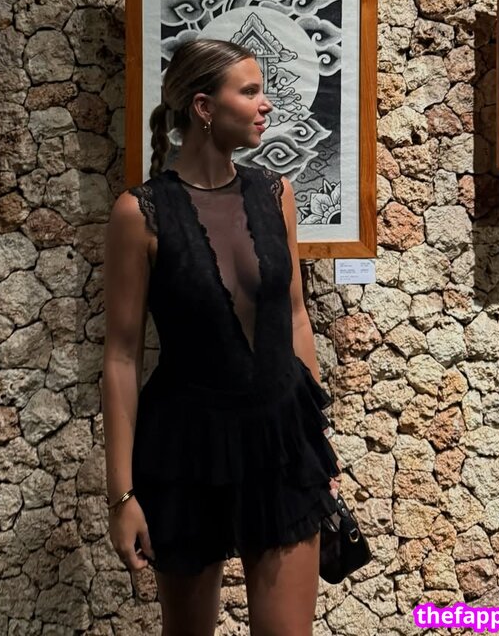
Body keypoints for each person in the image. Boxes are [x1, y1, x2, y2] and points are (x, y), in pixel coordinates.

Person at [102, 37, 341, 636]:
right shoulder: (140, 213)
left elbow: (296, 317)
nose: (266, 105)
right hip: (187, 446)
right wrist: (121, 496)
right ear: (204, 107)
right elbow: (122, 357)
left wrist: (315, 442)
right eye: (251, 91)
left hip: (281, 443)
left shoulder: (275, 193)